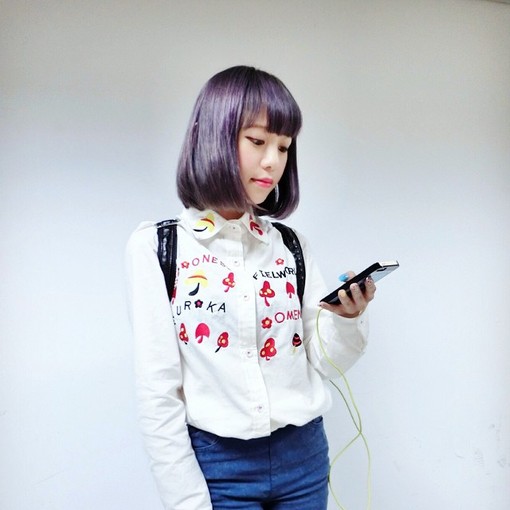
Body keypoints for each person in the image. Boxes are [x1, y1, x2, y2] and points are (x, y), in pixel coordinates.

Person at [126, 65, 376, 510]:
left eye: (284, 146)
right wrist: (187, 501)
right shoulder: (158, 248)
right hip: (217, 467)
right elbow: (158, 392)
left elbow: (326, 361)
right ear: (215, 137)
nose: (273, 161)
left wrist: (349, 318)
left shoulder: (291, 247)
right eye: (258, 141)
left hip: (303, 458)